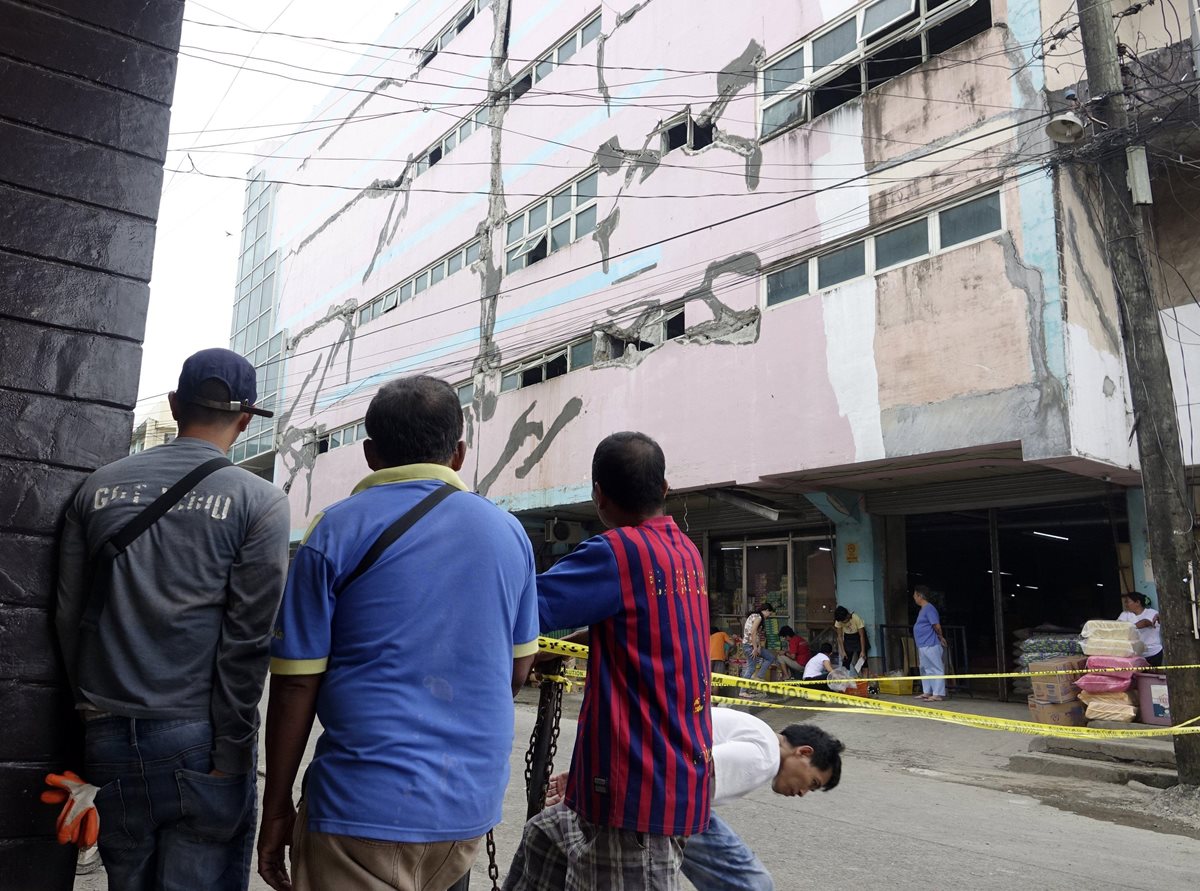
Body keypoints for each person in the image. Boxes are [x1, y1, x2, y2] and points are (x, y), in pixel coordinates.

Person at [257, 376, 539, 891]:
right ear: (458, 452)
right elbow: (517, 671)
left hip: (357, 810)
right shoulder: (510, 534)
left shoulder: (333, 531)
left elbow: (296, 683)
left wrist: (276, 807)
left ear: (369, 453)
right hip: (464, 816)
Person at [55, 348, 291, 890]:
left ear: (174, 404)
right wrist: (232, 756)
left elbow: (69, 616)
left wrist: (89, 711)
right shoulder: (259, 502)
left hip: (106, 734)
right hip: (198, 739)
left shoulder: (96, 488)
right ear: (247, 417)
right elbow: (246, 643)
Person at [503, 432, 712, 891]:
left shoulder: (617, 553)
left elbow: (520, 605)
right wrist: (558, 649)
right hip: (673, 772)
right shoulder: (686, 553)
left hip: (634, 790)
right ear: (664, 488)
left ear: (597, 495)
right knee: (541, 840)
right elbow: (640, 633)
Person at [541, 708, 844, 891]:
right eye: (812, 783)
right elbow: (688, 771)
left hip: (648, 777)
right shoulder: (764, 756)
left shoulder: (757, 733)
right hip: (668, 800)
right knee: (754, 884)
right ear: (803, 752)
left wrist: (598, 776)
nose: (803, 792)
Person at [913, 585, 948, 701]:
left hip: (931, 643)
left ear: (920, 596)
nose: (914, 597)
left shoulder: (929, 608)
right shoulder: (923, 609)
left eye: (915, 594)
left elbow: (936, 625)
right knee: (925, 668)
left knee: (936, 668)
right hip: (923, 644)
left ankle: (938, 693)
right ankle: (927, 691)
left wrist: (940, 636)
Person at [1118, 592, 1163, 666]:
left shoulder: (1152, 613)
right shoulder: (1125, 614)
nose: (1126, 605)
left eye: (1127, 602)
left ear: (1137, 602)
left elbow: (1145, 622)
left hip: (1153, 652)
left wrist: (1129, 627)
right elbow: (1119, 627)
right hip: (1134, 655)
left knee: (1153, 676)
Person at [741, 603, 777, 694]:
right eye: (769, 613)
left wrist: (759, 646)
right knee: (751, 668)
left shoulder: (754, 616)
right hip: (750, 646)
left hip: (751, 645)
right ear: (766, 610)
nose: (769, 615)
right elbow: (753, 632)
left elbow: (756, 634)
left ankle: (759, 676)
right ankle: (743, 691)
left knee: (770, 657)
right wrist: (755, 648)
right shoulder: (758, 617)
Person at [833, 605, 868, 671]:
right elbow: (839, 636)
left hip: (859, 637)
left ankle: (865, 680)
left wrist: (863, 651)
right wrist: (842, 651)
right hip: (848, 638)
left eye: (845, 620)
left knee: (863, 661)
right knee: (845, 661)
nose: (844, 622)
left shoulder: (856, 618)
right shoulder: (839, 620)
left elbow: (862, 636)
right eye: (842, 622)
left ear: (847, 615)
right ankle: (845, 680)